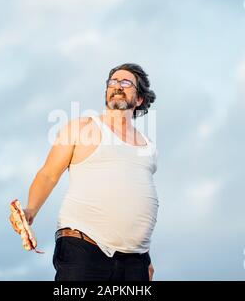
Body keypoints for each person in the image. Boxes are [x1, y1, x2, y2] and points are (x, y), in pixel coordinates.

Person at [22, 63, 158, 281]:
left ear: (139, 99)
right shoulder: (81, 128)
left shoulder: (148, 146)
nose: (117, 86)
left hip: (135, 262)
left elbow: (137, 199)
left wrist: (146, 256)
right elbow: (48, 174)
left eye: (126, 82)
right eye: (112, 82)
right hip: (84, 250)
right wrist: (31, 209)